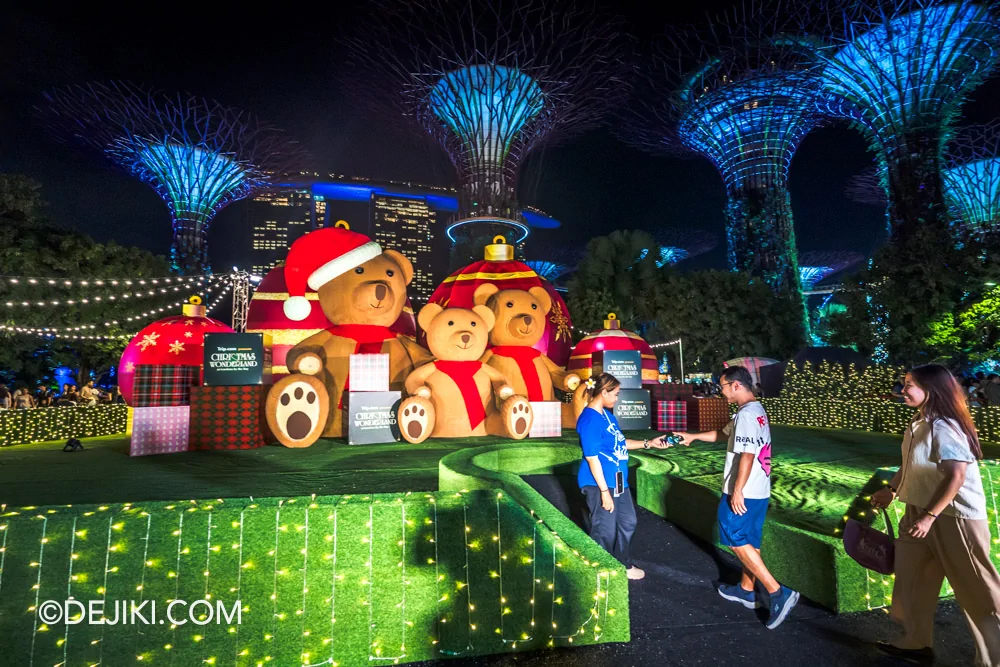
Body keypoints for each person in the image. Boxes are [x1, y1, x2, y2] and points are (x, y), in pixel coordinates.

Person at [870, 364, 1000, 665]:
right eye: (904, 383)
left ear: (932, 389)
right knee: (912, 579)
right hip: (920, 510)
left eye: (910, 384)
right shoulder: (920, 421)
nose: (903, 390)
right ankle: (916, 643)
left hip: (955, 516)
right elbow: (913, 464)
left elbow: (955, 476)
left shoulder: (944, 425)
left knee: (978, 589)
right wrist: (891, 490)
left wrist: (929, 516)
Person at [674, 365, 799, 630]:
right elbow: (723, 435)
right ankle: (746, 588)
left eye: (723, 386)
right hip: (760, 490)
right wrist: (692, 437)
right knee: (750, 540)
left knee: (733, 536)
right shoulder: (752, 410)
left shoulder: (746, 414)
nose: (721, 392)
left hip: (745, 490)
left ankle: (778, 592)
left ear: (736, 385)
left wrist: (738, 490)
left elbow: (747, 454)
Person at [576, 372, 671, 581]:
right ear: (603, 392)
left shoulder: (607, 415)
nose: (617, 399)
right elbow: (592, 459)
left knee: (628, 521)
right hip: (599, 483)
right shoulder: (589, 420)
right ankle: (599, 571)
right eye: (616, 394)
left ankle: (621, 563)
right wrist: (604, 492)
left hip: (618, 481)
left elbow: (620, 443)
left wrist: (649, 443)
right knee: (605, 530)